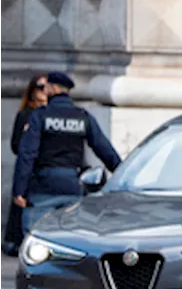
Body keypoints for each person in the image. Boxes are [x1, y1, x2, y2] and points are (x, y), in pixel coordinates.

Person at [12, 72, 121, 233]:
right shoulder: (82, 117)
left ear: (53, 88)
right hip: (72, 185)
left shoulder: (40, 116)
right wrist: (122, 175)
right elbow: (105, 150)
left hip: (44, 186)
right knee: (70, 239)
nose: (44, 90)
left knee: (36, 237)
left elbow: (27, 153)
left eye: (46, 86)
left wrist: (19, 190)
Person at [3, 74, 48, 253]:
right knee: (21, 201)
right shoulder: (26, 114)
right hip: (29, 165)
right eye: (39, 87)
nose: (43, 92)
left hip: (44, 168)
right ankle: (16, 240)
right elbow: (15, 145)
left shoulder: (50, 114)